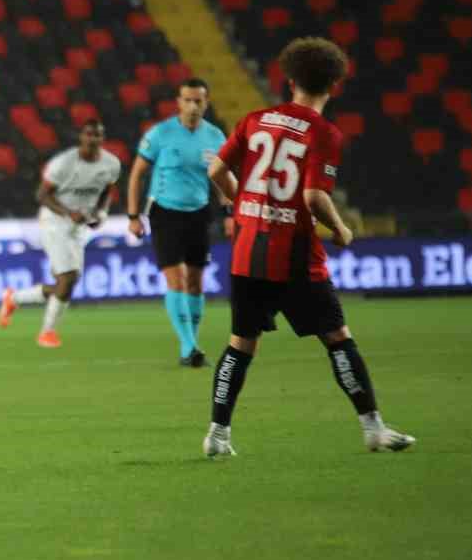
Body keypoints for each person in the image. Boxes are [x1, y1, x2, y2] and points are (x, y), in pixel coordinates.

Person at [202, 36, 414, 458]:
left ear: (290, 79)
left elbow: (216, 169)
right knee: (337, 337)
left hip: (247, 251)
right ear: (334, 85)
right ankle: (373, 428)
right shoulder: (324, 133)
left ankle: (217, 436)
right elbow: (314, 197)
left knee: (240, 343)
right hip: (294, 255)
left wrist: (242, 202)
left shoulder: (256, 119)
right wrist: (342, 229)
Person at [127, 78, 229, 368]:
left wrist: (231, 212)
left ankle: (191, 346)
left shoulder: (215, 137)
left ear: (206, 103)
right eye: (188, 100)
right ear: (179, 102)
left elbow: (221, 178)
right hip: (165, 212)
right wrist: (134, 216)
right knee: (177, 279)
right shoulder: (160, 134)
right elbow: (136, 174)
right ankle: (188, 346)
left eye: (199, 100)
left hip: (199, 213)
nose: (193, 106)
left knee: (196, 282)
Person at [0, 120, 122, 348]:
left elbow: (107, 190)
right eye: (89, 134)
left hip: (78, 225)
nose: (94, 139)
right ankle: (47, 333)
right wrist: (67, 212)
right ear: (81, 137)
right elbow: (42, 194)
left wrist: (100, 213)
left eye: (98, 135)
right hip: (54, 221)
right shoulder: (63, 163)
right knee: (69, 278)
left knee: (66, 283)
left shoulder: (111, 164)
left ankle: (13, 298)